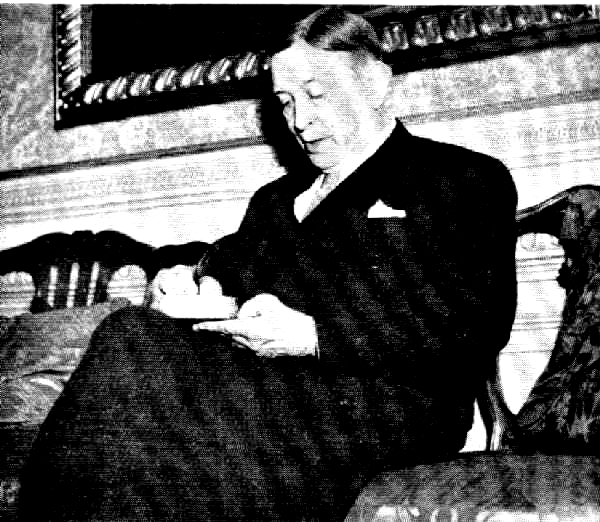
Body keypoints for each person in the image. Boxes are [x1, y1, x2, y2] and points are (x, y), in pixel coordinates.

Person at [19, 7, 518, 521]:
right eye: (286, 102)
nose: (300, 121)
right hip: (260, 397)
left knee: (144, 423)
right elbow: (221, 270)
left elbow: (478, 325)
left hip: (380, 409)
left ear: (374, 82)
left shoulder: (460, 178)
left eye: (317, 95)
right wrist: (186, 283)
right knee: (132, 341)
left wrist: (316, 336)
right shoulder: (275, 200)